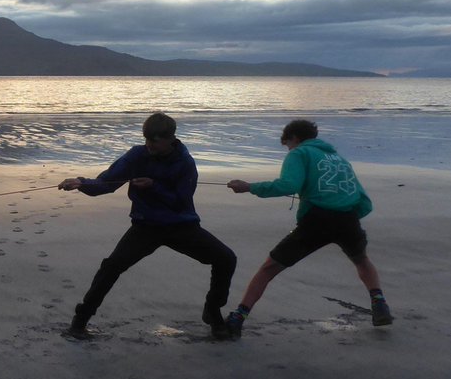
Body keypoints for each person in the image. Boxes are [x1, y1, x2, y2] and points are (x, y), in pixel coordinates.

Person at [58, 112, 237, 340]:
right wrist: (81, 183)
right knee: (111, 267)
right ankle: (80, 321)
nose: (148, 145)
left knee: (226, 259)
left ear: (170, 138)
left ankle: (212, 311)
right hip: (145, 226)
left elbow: (181, 201)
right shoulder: (137, 155)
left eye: (154, 140)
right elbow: (106, 183)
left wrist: (154, 186)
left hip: (180, 226)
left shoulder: (185, 162)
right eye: (146, 139)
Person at [225, 119, 392, 337]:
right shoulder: (340, 159)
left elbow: (288, 185)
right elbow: (362, 199)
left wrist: (250, 187)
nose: (289, 149)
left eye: (287, 145)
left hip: (316, 220)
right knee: (361, 260)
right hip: (348, 219)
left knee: (269, 268)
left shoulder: (299, 154)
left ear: (293, 138)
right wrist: (347, 217)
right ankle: (379, 304)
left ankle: (239, 316)